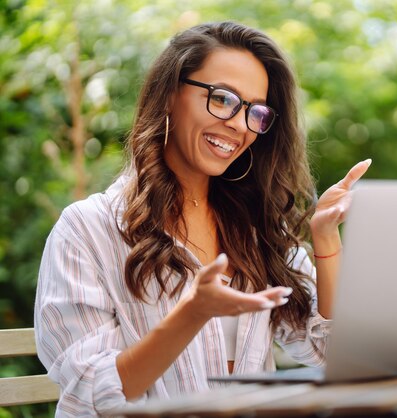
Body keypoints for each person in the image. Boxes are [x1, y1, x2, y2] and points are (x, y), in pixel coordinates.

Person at [34, 21, 371, 416]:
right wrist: (192, 313)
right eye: (223, 98)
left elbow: (330, 351)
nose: (239, 125)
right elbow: (95, 393)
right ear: (170, 94)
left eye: (255, 111)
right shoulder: (88, 230)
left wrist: (326, 238)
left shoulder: (256, 229)